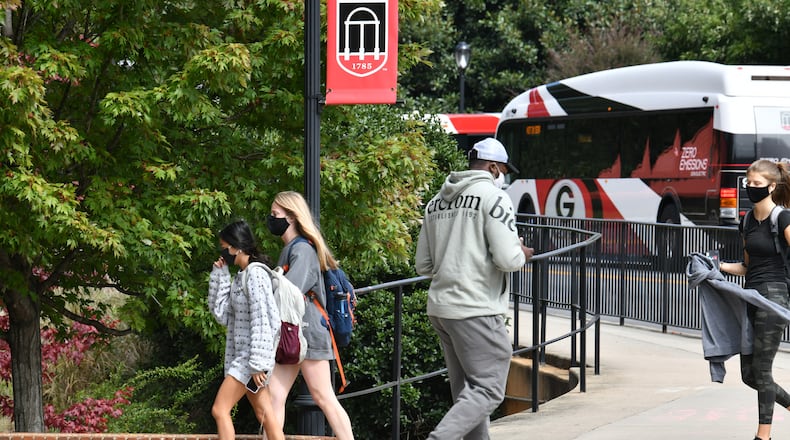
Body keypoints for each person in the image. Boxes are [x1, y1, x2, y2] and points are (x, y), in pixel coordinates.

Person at [415, 137, 534, 439]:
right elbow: (508, 259)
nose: (503, 176)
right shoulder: (494, 197)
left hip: (442, 308)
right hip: (476, 308)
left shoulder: (436, 202)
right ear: (494, 168)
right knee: (489, 390)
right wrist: (522, 253)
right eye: (503, 170)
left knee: (467, 393)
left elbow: (424, 266)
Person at [265, 191, 354, 440]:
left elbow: (290, 291)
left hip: (308, 331)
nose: (271, 219)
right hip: (294, 331)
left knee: (323, 396)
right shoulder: (293, 248)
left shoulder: (302, 250)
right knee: (274, 395)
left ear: (292, 217)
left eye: (276, 215)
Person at [719, 159, 790, 440]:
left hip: (774, 298)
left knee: (762, 370)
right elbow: (746, 268)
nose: (750, 188)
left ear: (772, 186)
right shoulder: (747, 220)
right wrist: (717, 266)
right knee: (749, 374)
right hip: (752, 296)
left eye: (757, 185)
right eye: (748, 184)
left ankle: (763, 436)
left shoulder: (783, 218)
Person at [208, 220, 284, 440]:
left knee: (220, 409)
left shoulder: (256, 275)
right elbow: (222, 314)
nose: (222, 251)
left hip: (250, 359)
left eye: (224, 246)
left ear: (236, 246)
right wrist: (220, 275)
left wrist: (258, 363)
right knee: (265, 413)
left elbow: (264, 319)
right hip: (246, 358)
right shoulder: (241, 276)